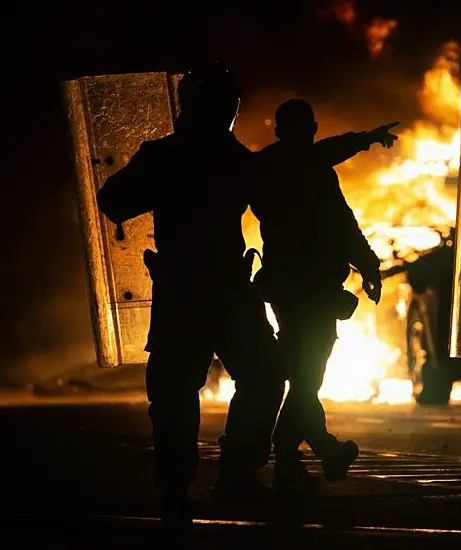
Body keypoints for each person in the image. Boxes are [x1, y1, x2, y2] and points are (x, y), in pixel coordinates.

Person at [96, 63, 287, 532]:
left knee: (179, 392)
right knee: (259, 377)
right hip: (219, 288)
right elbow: (278, 216)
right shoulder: (235, 159)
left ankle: (181, 488)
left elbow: (115, 201)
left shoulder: (169, 156)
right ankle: (229, 474)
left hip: (186, 288)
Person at [249, 99, 399, 494]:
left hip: (284, 287)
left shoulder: (265, 167)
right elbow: (341, 222)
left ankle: (316, 452)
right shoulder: (311, 168)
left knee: (302, 375)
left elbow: (328, 155)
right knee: (307, 375)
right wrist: (368, 266)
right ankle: (299, 452)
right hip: (312, 288)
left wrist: (365, 139)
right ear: (310, 128)